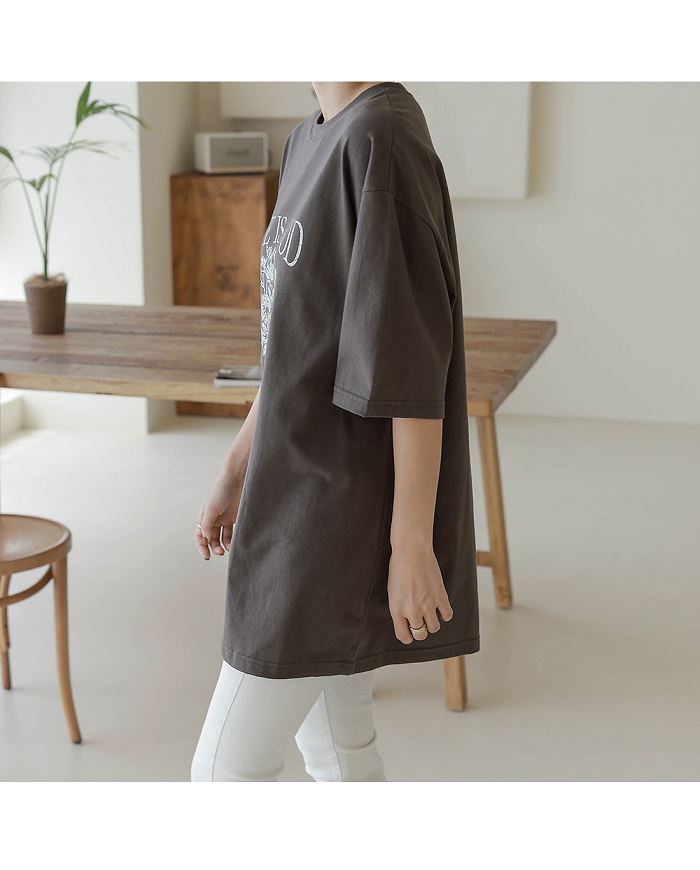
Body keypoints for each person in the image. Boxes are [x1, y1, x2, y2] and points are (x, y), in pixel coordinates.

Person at [191, 81, 479, 782]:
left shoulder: (382, 139)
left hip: (332, 510)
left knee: (224, 772)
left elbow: (411, 364)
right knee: (339, 753)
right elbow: (295, 347)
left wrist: (411, 542)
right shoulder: (309, 138)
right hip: (294, 484)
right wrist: (237, 467)